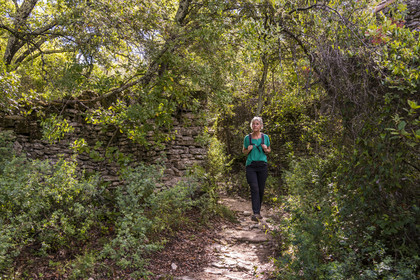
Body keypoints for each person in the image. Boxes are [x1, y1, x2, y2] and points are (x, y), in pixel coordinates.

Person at [242, 116, 271, 222]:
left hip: (262, 165)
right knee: (254, 188)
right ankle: (256, 213)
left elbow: (268, 150)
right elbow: (244, 151)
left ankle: (258, 211)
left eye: (257, 124)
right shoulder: (247, 138)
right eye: (253, 124)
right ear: (251, 125)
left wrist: (265, 149)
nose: (255, 125)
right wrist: (247, 150)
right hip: (251, 166)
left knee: (261, 189)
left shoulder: (265, 137)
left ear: (261, 126)